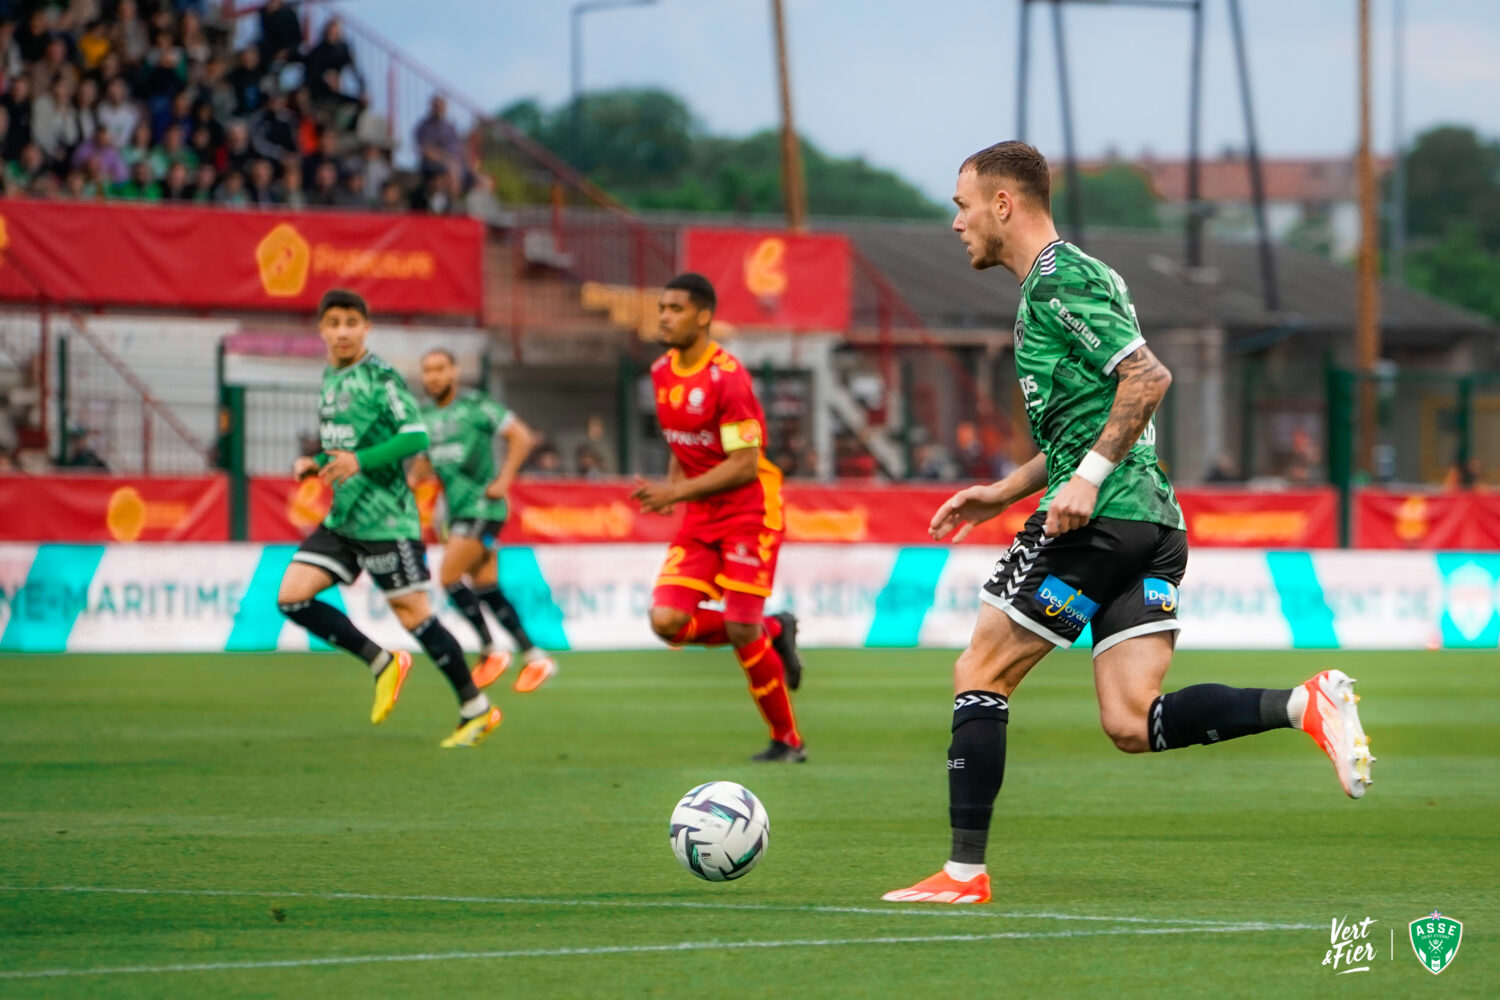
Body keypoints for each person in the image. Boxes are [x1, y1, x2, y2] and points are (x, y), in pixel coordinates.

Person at [881, 142, 1373, 905]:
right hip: (1151, 524)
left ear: (1003, 204)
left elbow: (1149, 378)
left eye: (961, 204)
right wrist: (1007, 488)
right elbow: (1094, 416)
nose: (956, 222)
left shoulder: (1059, 279)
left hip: (1101, 521)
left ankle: (962, 875)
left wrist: (1085, 480)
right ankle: (1303, 704)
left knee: (980, 672)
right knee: (1130, 720)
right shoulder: (1082, 276)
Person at [276, 289, 502, 749]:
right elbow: (346, 442)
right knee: (292, 598)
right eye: (333, 322)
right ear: (322, 329)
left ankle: (476, 708)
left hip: (386, 522)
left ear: (366, 327)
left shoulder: (381, 378)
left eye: (351, 322)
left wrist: (358, 461)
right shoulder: (330, 379)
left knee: (415, 615)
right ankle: (382, 662)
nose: (342, 331)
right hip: (343, 519)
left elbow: (415, 435)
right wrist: (315, 460)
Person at [630, 273, 807, 763]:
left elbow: (744, 465)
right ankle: (773, 629)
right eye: (661, 307)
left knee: (738, 627)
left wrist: (676, 490)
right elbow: (681, 443)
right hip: (701, 516)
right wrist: (674, 492)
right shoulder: (662, 371)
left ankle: (788, 741)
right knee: (666, 621)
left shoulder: (727, 378)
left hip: (752, 512)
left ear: (703, 316)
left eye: (675, 308)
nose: (664, 316)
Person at [411, 348, 558, 693]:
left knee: (448, 577)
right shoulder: (425, 417)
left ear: (454, 372)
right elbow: (423, 464)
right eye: (427, 370)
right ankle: (535, 656)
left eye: (439, 369)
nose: (433, 376)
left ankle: (491, 649)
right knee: (486, 588)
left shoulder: (476, 407)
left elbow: (521, 435)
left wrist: (505, 478)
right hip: (458, 512)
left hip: (484, 509)